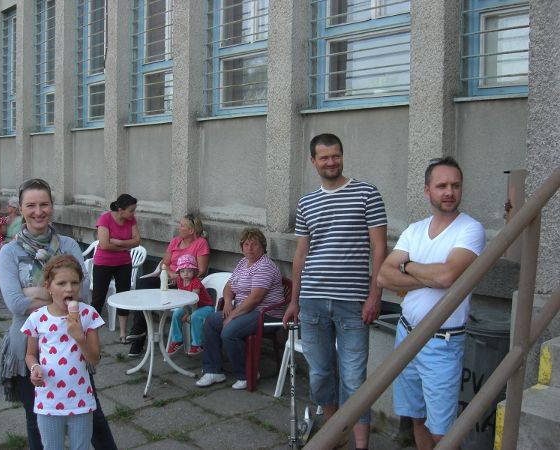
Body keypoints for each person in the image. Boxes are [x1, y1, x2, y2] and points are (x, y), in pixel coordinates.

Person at [282, 133, 387, 450]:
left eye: (336, 156)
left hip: (352, 303)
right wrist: (294, 300)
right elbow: (301, 255)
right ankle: (334, 436)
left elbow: (379, 248)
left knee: (354, 378)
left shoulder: (367, 194)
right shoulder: (306, 202)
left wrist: (375, 295)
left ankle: (361, 445)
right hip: (312, 302)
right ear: (313, 161)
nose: (331, 162)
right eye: (324, 157)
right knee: (320, 375)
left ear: (342, 156)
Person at [0, 178, 117, 450]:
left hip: (74, 345)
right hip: (28, 346)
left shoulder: (68, 245)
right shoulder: (9, 252)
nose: (38, 211)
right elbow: (15, 303)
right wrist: (59, 297)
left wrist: (33, 292)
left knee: (91, 413)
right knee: (36, 419)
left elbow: (81, 292)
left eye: (44, 204)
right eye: (31, 205)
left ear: (52, 206)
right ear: (21, 208)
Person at [377, 157, 485, 450]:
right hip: (406, 333)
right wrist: (430, 276)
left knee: (442, 433)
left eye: (455, 185)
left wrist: (407, 266)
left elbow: (448, 275)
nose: (449, 192)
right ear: (427, 191)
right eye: (442, 186)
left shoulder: (470, 229)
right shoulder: (414, 230)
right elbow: (384, 276)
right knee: (417, 419)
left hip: (442, 342)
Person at [22, 254, 104, 450]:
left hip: (80, 398)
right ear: (48, 287)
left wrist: (79, 337)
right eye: (61, 283)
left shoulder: (88, 314)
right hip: (48, 398)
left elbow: (94, 359)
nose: (69, 289)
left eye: (74, 283)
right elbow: (30, 354)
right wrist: (34, 367)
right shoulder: (37, 318)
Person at [196, 228, 283, 390]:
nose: (250, 248)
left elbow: (255, 298)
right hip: (245, 310)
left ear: (262, 247)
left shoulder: (264, 266)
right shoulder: (243, 262)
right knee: (211, 321)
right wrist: (228, 302)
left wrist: (232, 315)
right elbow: (229, 286)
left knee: (229, 331)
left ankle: (248, 374)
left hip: (265, 314)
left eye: (254, 245)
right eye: (246, 244)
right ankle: (213, 370)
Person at [128, 213, 210, 357]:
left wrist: (182, 277)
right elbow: (164, 263)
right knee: (142, 283)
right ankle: (138, 332)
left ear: (191, 230)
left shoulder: (200, 243)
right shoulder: (175, 241)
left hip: (185, 284)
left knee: (146, 290)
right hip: (168, 279)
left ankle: (138, 340)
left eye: (182, 226)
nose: (179, 228)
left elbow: (202, 270)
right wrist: (172, 274)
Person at [91, 194, 140, 343]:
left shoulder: (131, 220)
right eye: (131, 210)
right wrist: (125, 247)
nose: (133, 213)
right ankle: (91, 333)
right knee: (98, 298)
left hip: (124, 263)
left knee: (123, 296)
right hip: (103, 263)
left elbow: (137, 241)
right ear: (120, 210)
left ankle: (123, 333)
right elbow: (104, 244)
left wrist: (118, 242)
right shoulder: (105, 219)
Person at [167, 254, 214, 356]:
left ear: (194, 272)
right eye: (183, 271)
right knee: (176, 314)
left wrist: (189, 314)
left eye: (189, 271)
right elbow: (182, 299)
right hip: (189, 306)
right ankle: (177, 340)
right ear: (179, 272)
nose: (186, 274)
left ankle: (198, 344)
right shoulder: (180, 281)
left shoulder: (195, 282)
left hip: (206, 307)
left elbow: (194, 300)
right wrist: (186, 312)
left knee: (194, 317)